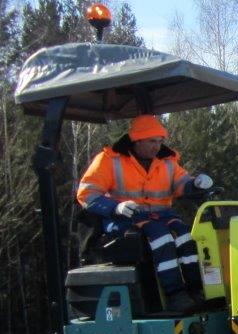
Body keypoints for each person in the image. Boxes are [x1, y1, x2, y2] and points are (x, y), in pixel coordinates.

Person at [76, 114, 214, 313]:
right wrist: (115, 207)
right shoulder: (110, 160)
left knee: (186, 235)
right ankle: (175, 295)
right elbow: (86, 193)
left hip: (162, 217)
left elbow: (181, 184)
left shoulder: (167, 162)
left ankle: (195, 289)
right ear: (137, 140)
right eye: (152, 141)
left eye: (160, 141)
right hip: (125, 219)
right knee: (162, 238)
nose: (157, 146)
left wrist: (195, 184)